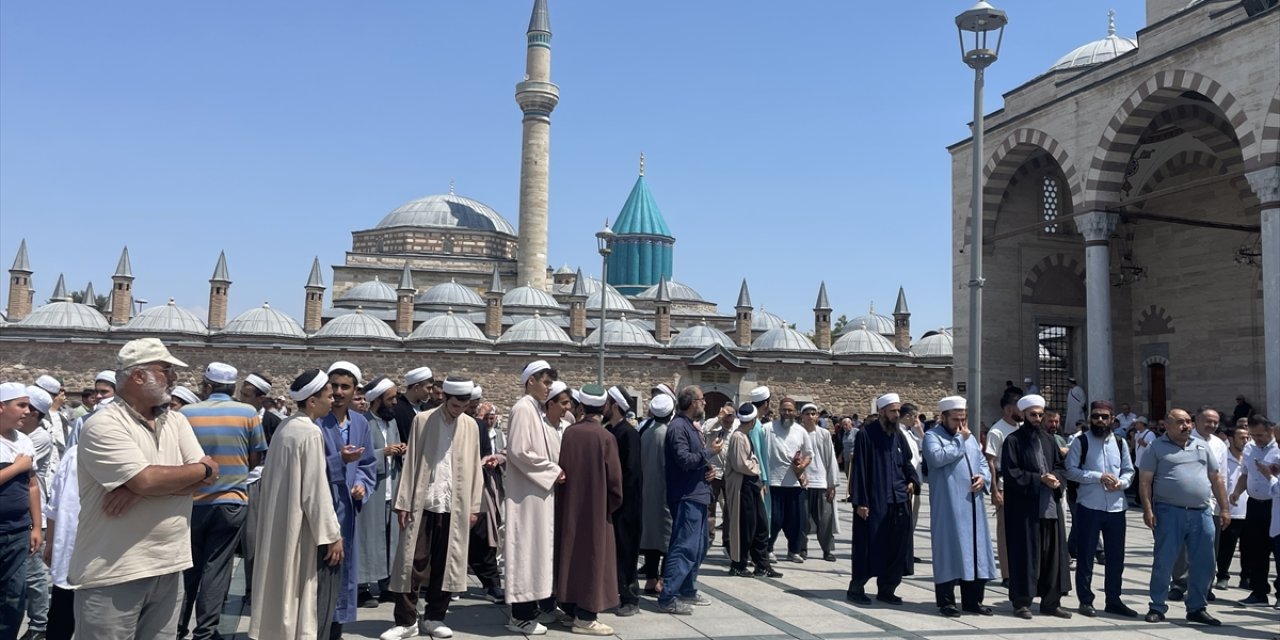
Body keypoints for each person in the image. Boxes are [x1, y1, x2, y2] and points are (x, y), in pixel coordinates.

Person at [70, 339, 217, 638]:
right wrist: (154, 482)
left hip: (168, 565)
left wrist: (141, 488)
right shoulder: (104, 425)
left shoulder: (175, 420)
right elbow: (148, 479)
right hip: (116, 571)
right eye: (166, 370)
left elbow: (209, 477)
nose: (175, 378)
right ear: (138, 376)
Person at [381, 377, 483, 640]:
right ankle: (406, 621)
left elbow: (474, 466)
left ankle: (435, 617)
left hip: (455, 505)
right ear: (444, 398)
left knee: (446, 563)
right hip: (423, 502)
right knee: (411, 562)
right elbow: (412, 460)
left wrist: (473, 506)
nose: (458, 410)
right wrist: (403, 502)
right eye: (455, 404)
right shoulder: (423, 420)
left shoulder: (471, 426)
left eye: (464, 406)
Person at [248, 369, 344, 640]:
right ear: (312, 401)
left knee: (280, 588)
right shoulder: (310, 433)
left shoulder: (285, 427)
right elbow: (315, 492)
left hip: (279, 519)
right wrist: (332, 534)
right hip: (297, 525)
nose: (332, 400)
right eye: (327, 395)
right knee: (298, 590)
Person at [178, 362, 267, 640]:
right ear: (233, 388)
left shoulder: (186, 413)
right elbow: (256, 457)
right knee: (217, 568)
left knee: (186, 568)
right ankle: (206, 632)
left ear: (207, 386)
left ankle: (176, 628)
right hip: (232, 501)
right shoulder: (247, 413)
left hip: (191, 502)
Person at [1138, 408, 1231, 626]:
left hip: (1201, 512)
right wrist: (1148, 509)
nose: (1186, 426)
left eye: (1188, 421)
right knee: (1165, 560)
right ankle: (1157, 606)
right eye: (1180, 422)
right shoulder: (1156, 448)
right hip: (1169, 512)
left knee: (1204, 562)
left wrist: (1225, 509)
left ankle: (1197, 607)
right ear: (1167, 425)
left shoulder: (1202, 446)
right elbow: (1145, 481)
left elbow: (1216, 479)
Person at [552, 385, 623, 635]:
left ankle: (569, 608)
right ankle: (585, 616)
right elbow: (615, 484)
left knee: (570, 556)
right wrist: (609, 508)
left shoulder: (569, 434)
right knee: (594, 560)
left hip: (569, 507)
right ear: (604, 408)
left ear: (581, 406)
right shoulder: (606, 438)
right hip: (596, 510)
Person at [317, 361, 377, 639]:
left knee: (342, 574)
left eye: (346, 387)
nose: (339, 392)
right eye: (335, 386)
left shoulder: (361, 423)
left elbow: (367, 465)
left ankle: (335, 630)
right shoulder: (316, 421)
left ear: (355, 391)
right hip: (318, 506)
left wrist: (362, 486)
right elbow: (308, 463)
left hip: (346, 511)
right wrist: (339, 460)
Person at [502, 361, 563, 636]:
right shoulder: (523, 409)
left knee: (534, 551)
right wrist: (553, 470)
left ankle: (530, 610)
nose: (548, 388)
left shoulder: (534, 410)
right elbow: (518, 451)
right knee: (525, 551)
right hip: (526, 497)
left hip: (537, 493)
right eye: (546, 382)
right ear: (531, 381)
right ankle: (520, 616)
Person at [922, 396, 995, 618]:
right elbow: (936, 459)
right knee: (949, 551)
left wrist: (983, 478)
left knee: (976, 551)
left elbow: (981, 461)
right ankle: (947, 602)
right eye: (955, 420)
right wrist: (960, 441)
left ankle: (973, 601)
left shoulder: (969, 437)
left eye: (963, 419)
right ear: (943, 417)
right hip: (949, 507)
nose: (960, 424)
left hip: (973, 506)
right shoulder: (932, 436)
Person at [1001, 394, 1071, 620]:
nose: (1038, 419)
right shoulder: (1013, 441)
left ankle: (1051, 602)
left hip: (1050, 508)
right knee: (1025, 556)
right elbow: (1011, 474)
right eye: (1033, 415)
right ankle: (1022, 602)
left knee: (1053, 558)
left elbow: (1061, 467)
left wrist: (1056, 478)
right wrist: (1039, 479)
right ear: (1023, 415)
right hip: (1025, 510)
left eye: (1041, 415)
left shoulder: (1050, 440)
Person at [1064, 401, 1137, 618]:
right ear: (1090, 419)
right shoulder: (1081, 442)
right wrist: (1098, 477)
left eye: (1105, 417)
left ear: (1112, 418)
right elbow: (1070, 471)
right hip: (1089, 506)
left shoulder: (1120, 442)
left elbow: (1129, 471)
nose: (1100, 421)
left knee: (1116, 557)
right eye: (1096, 416)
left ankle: (1114, 599)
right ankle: (1085, 600)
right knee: (1086, 556)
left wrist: (1121, 483)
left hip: (1116, 507)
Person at [846, 393, 919, 606]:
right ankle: (857, 587)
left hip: (898, 500)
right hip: (875, 501)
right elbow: (859, 470)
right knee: (870, 546)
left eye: (898, 411)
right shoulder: (866, 435)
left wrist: (912, 480)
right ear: (882, 412)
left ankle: (887, 588)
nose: (897, 415)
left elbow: (907, 463)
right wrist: (861, 501)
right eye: (893, 411)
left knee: (896, 547)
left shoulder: (898, 435)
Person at [658, 386, 718, 615]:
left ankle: (687, 588)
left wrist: (708, 468)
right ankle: (668, 596)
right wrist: (709, 452)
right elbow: (684, 460)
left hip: (698, 494)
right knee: (684, 547)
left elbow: (694, 461)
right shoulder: (678, 428)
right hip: (686, 496)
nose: (704, 403)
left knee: (699, 546)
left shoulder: (690, 428)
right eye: (702, 399)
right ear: (693, 402)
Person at [358, 377, 406, 606]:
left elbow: (396, 450)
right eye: (391, 398)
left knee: (390, 539)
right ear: (377, 400)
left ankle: (387, 584)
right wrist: (382, 453)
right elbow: (358, 456)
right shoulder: (362, 422)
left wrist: (400, 451)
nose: (395, 402)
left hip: (391, 487)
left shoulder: (392, 422)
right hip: (371, 489)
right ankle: (362, 587)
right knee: (368, 537)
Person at [724, 403, 781, 579]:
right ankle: (738, 564)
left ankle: (762, 564)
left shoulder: (744, 435)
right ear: (754, 419)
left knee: (761, 525)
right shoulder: (739, 437)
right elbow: (741, 464)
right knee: (745, 527)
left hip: (751, 486)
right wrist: (756, 465)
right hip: (743, 486)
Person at [0, 382, 40, 636]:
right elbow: (21, 471)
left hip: (16, 532)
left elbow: (33, 486)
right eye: (21, 405)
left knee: (14, 596)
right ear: (2, 407)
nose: (27, 411)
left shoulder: (24, 441)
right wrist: (16, 467)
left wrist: (36, 526)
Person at [18, 385, 55, 640]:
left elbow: (19, 465)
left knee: (34, 576)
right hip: (20, 515)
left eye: (24, 408)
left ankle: (39, 625)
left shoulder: (38, 438)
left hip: (35, 516)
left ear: (34, 413)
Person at [1230, 414, 1278, 606]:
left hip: (1274, 505)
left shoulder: (1278, 448)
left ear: (1270, 431)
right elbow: (1245, 474)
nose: (1257, 439)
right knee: (1256, 550)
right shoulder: (1249, 448)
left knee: (1277, 548)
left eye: (1261, 435)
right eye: (1254, 435)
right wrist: (1236, 492)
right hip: (1254, 504)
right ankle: (1259, 592)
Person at [604, 385, 643, 617]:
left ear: (615, 406)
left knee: (627, 552)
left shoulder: (629, 434)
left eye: (607, 403)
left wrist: (617, 499)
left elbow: (631, 474)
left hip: (627, 506)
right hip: (613, 504)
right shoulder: (610, 430)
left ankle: (630, 597)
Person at [765, 398, 810, 563]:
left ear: (795, 412)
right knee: (774, 520)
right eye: (784, 410)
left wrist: (801, 466)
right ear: (779, 410)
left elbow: (808, 454)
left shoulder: (800, 431)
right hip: (773, 483)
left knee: (796, 521)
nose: (787, 413)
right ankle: (768, 549)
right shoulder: (768, 429)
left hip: (793, 483)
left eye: (790, 410)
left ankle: (794, 551)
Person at [639, 392, 675, 597]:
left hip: (647, 491)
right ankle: (662, 579)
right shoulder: (668, 434)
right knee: (668, 539)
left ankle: (651, 579)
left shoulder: (646, 433)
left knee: (651, 537)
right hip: (664, 492)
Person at [983, 396, 1021, 586]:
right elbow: (990, 460)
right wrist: (994, 490)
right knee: (1005, 531)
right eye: (1019, 407)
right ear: (1008, 409)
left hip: (1022, 485)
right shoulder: (997, 431)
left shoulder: (1020, 428)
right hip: (1004, 485)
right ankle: (1007, 573)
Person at [798, 403, 837, 562]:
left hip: (821, 482)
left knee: (825, 519)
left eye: (813, 413)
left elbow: (830, 458)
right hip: (804, 483)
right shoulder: (798, 434)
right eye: (807, 413)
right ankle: (802, 548)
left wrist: (831, 483)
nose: (810, 416)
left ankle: (827, 549)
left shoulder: (824, 434)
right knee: (803, 519)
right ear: (802, 416)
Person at [1216, 421, 1249, 590]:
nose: (1245, 440)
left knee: (1250, 548)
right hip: (1230, 510)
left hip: (1250, 509)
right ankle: (1222, 575)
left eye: (1247, 437)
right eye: (1241, 437)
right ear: (1230, 438)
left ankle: (1246, 577)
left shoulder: (1251, 458)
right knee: (1226, 547)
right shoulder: (1223, 458)